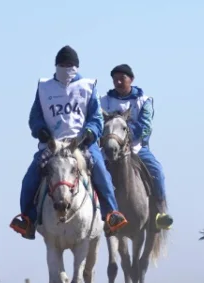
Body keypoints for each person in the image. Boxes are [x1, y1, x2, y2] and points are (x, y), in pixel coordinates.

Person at [9, 45, 128, 239]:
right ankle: (27, 219)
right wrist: (41, 131)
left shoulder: (88, 86)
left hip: (81, 145)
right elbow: (34, 117)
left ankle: (111, 214)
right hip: (53, 145)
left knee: (101, 172)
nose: (66, 68)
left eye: (70, 65)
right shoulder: (44, 87)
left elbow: (96, 118)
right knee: (30, 177)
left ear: (77, 66)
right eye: (63, 65)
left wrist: (90, 133)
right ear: (56, 66)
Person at [99, 64, 173, 231]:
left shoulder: (144, 101)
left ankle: (160, 213)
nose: (118, 82)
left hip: (137, 148)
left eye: (122, 78)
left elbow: (145, 127)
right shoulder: (103, 101)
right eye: (115, 79)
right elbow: (98, 122)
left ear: (131, 79)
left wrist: (125, 136)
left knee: (157, 172)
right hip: (109, 149)